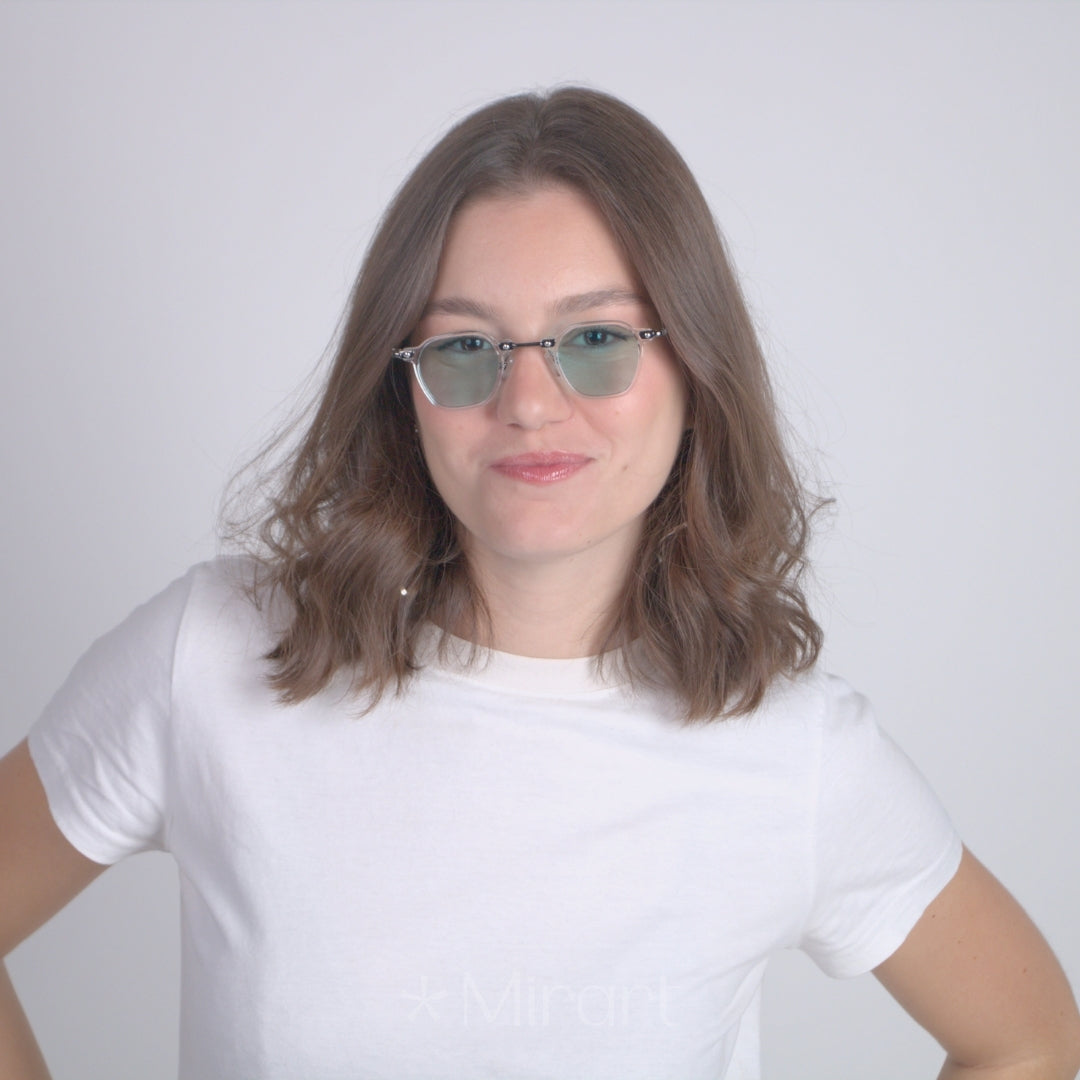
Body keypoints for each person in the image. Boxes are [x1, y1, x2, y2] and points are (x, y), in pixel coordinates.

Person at [1, 87, 1078, 1080]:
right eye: (465, 345)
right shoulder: (211, 657)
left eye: (596, 339)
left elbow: (1030, 1043)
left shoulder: (798, 757)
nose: (526, 402)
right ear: (403, 388)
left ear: (695, 367)